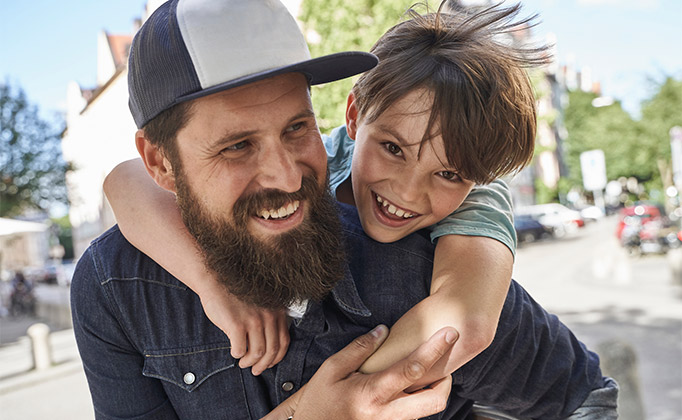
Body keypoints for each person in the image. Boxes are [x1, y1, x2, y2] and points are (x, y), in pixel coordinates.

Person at [71, 0, 616, 419]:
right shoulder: (116, 289)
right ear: (161, 164)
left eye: (296, 127)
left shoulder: (425, 262)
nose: (286, 176)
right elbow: (123, 180)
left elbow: (573, 392)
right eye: (238, 145)